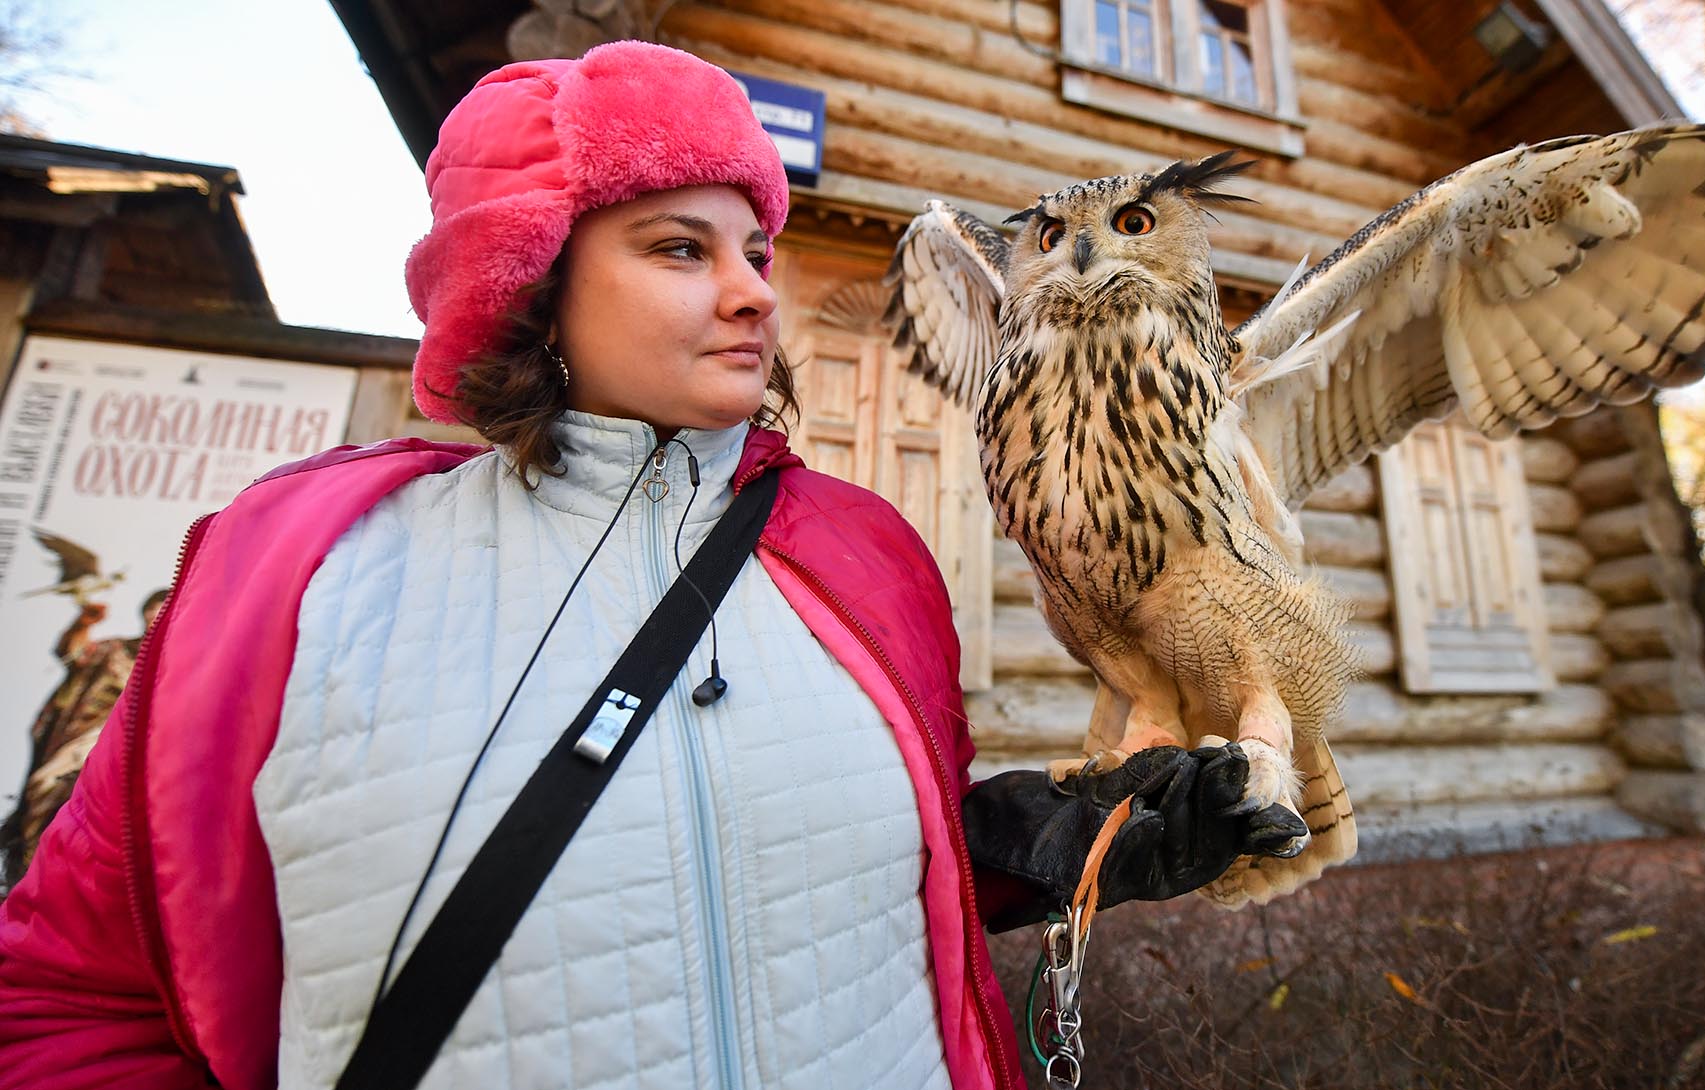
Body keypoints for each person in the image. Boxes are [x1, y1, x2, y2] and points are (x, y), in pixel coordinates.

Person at [0, 41, 1296, 1090]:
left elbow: (809, 875)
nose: (751, 294)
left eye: (756, 253)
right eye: (682, 248)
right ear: (533, 277)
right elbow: (63, 999)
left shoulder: (865, 557)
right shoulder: (298, 574)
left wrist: (1033, 850)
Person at [1, 588, 168, 886]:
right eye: (155, 606)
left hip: (131, 751)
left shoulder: (174, 668)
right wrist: (82, 625)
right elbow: (72, 653)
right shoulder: (113, 650)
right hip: (85, 740)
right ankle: (29, 871)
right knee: (46, 786)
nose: (158, 613)